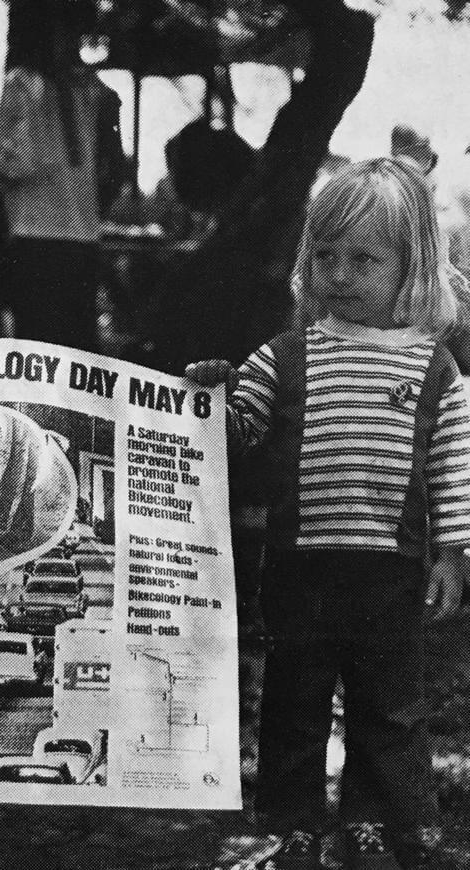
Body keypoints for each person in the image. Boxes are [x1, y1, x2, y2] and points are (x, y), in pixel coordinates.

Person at [186, 158, 470, 870]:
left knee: (388, 708)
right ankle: (294, 825)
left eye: (363, 259)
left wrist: (452, 554)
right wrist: (211, 397)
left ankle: (376, 822)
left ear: (410, 267)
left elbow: (452, 467)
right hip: (296, 571)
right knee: (293, 702)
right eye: (324, 257)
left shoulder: (432, 368)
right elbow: (235, 433)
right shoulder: (284, 357)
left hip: (390, 572)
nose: (339, 275)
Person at [0, 0, 111, 352]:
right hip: (83, 239)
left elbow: (20, 162)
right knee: (79, 356)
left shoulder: (22, 84)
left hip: (37, 238)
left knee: (39, 358)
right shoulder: (86, 87)